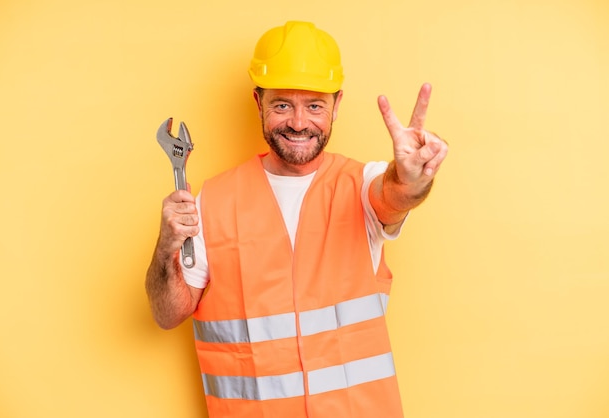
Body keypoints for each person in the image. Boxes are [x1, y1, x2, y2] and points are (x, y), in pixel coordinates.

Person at [145, 20, 448, 418]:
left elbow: (395, 196)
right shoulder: (212, 201)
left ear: (337, 104)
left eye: (315, 105)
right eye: (282, 104)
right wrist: (166, 247)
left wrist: (410, 179)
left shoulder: (361, 184)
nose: (299, 122)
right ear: (258, 102)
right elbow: (167, 314)